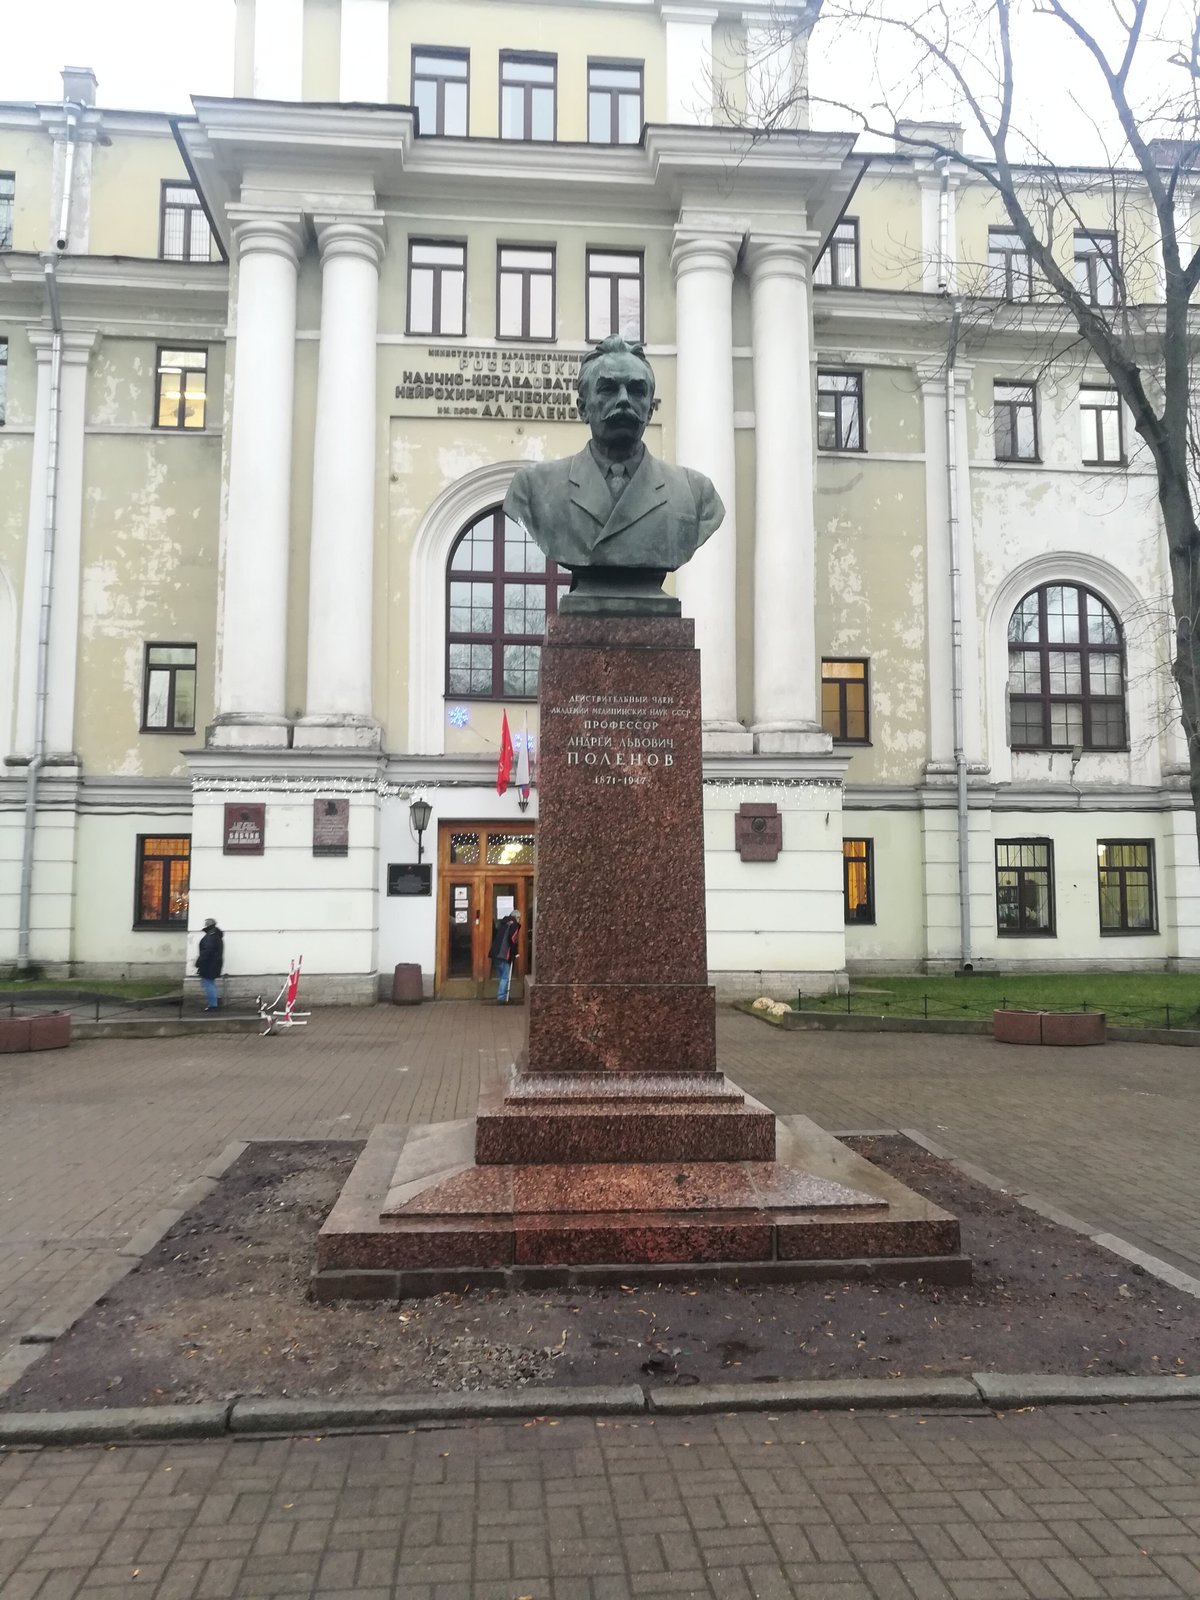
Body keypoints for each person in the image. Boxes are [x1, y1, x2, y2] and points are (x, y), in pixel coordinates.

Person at [489, 909, 521, 1004]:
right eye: (519, 918)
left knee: (501, 976)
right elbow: (512, 939)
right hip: (503, 954)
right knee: (505, 977)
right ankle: (502, 997)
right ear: (517, 917)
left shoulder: (503, 923)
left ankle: (503, 994)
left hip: (496, 952)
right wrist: (515, 952)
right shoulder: (514, 925)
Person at [195, 917, 224, 1011]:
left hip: (209, 964)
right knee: (210, 983)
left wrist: (198, 962)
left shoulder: (210, 936)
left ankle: (213, 1005)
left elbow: (206, 951)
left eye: (205, 924)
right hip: (214, 963)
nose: (204, 925)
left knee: (208, 984)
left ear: (208, 925)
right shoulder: (216, 935)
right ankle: (215, 1000)